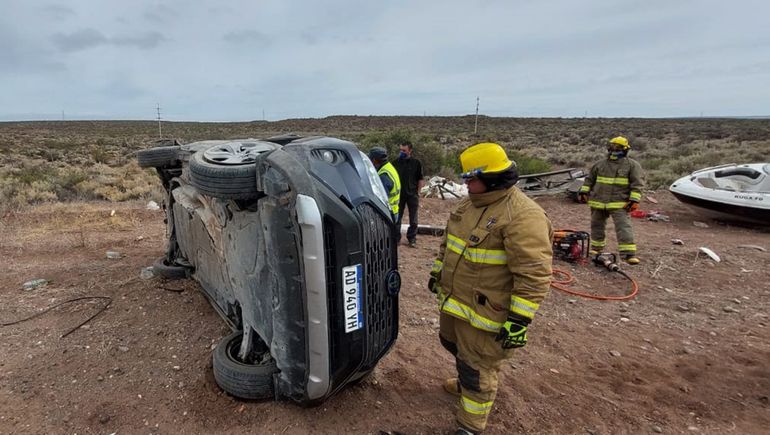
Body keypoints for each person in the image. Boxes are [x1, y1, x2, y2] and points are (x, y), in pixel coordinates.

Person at [428, 142, 553, 435]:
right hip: (457, 302)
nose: (465, 184)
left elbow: (533, 274)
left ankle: (470, 425)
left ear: (494, 178)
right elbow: (448, 244)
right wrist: (437, 273)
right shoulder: (469, 203)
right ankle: (465, 381)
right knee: (454, 345)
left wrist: (519, 320)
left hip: (488, 313)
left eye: (471, 179)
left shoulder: (523, 216)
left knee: (479, 368)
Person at [578, 136, 645, 264]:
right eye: (613, 146)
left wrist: (634, 200)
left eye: (618, 147)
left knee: (623, 227)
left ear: (625, 149)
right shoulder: (600, 164)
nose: (615, 149)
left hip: (619, 203)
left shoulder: (632, 165)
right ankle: (596, 249)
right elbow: (589, 180)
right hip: (598, 202)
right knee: (597, 225)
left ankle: (629, 254)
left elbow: (637, 184)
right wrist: (583, 191)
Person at [392, 141, 424, 247]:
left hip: (412, 195)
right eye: (400, 150)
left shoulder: (416, 163)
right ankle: (396, 239)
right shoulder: (395, 163)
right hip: (399, 196)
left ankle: (412, 239)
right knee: (397, 218)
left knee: (413, 219)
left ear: (410, 151)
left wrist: (418, 193)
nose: (402, 152)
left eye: (404, 150)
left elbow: (420, 179)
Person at [368, 146, 401, 221]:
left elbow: (381, 199)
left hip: (388, 214)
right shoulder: (389, 168)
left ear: (374, 160)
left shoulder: (384, 176)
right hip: (394, 211)